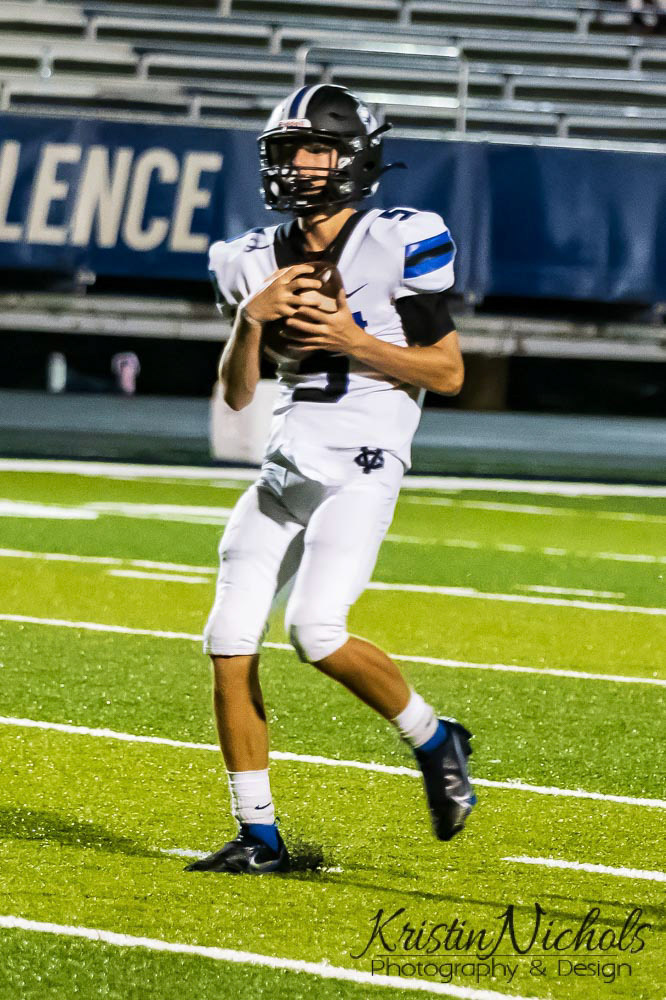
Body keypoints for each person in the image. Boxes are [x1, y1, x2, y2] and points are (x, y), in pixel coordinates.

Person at [186, 84, 474, 876]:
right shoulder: (246, 257)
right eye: (287, 150)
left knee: (315, 631)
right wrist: (249, 320)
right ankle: (259, 836)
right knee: (227, 639)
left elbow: (448, 373)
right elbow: (239, 394)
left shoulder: (396, 239)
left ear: (354, 158)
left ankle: (435, 738)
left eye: (314, 149)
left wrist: (352, 339)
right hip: (287, 464)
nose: (297, 164)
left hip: (364, 464)